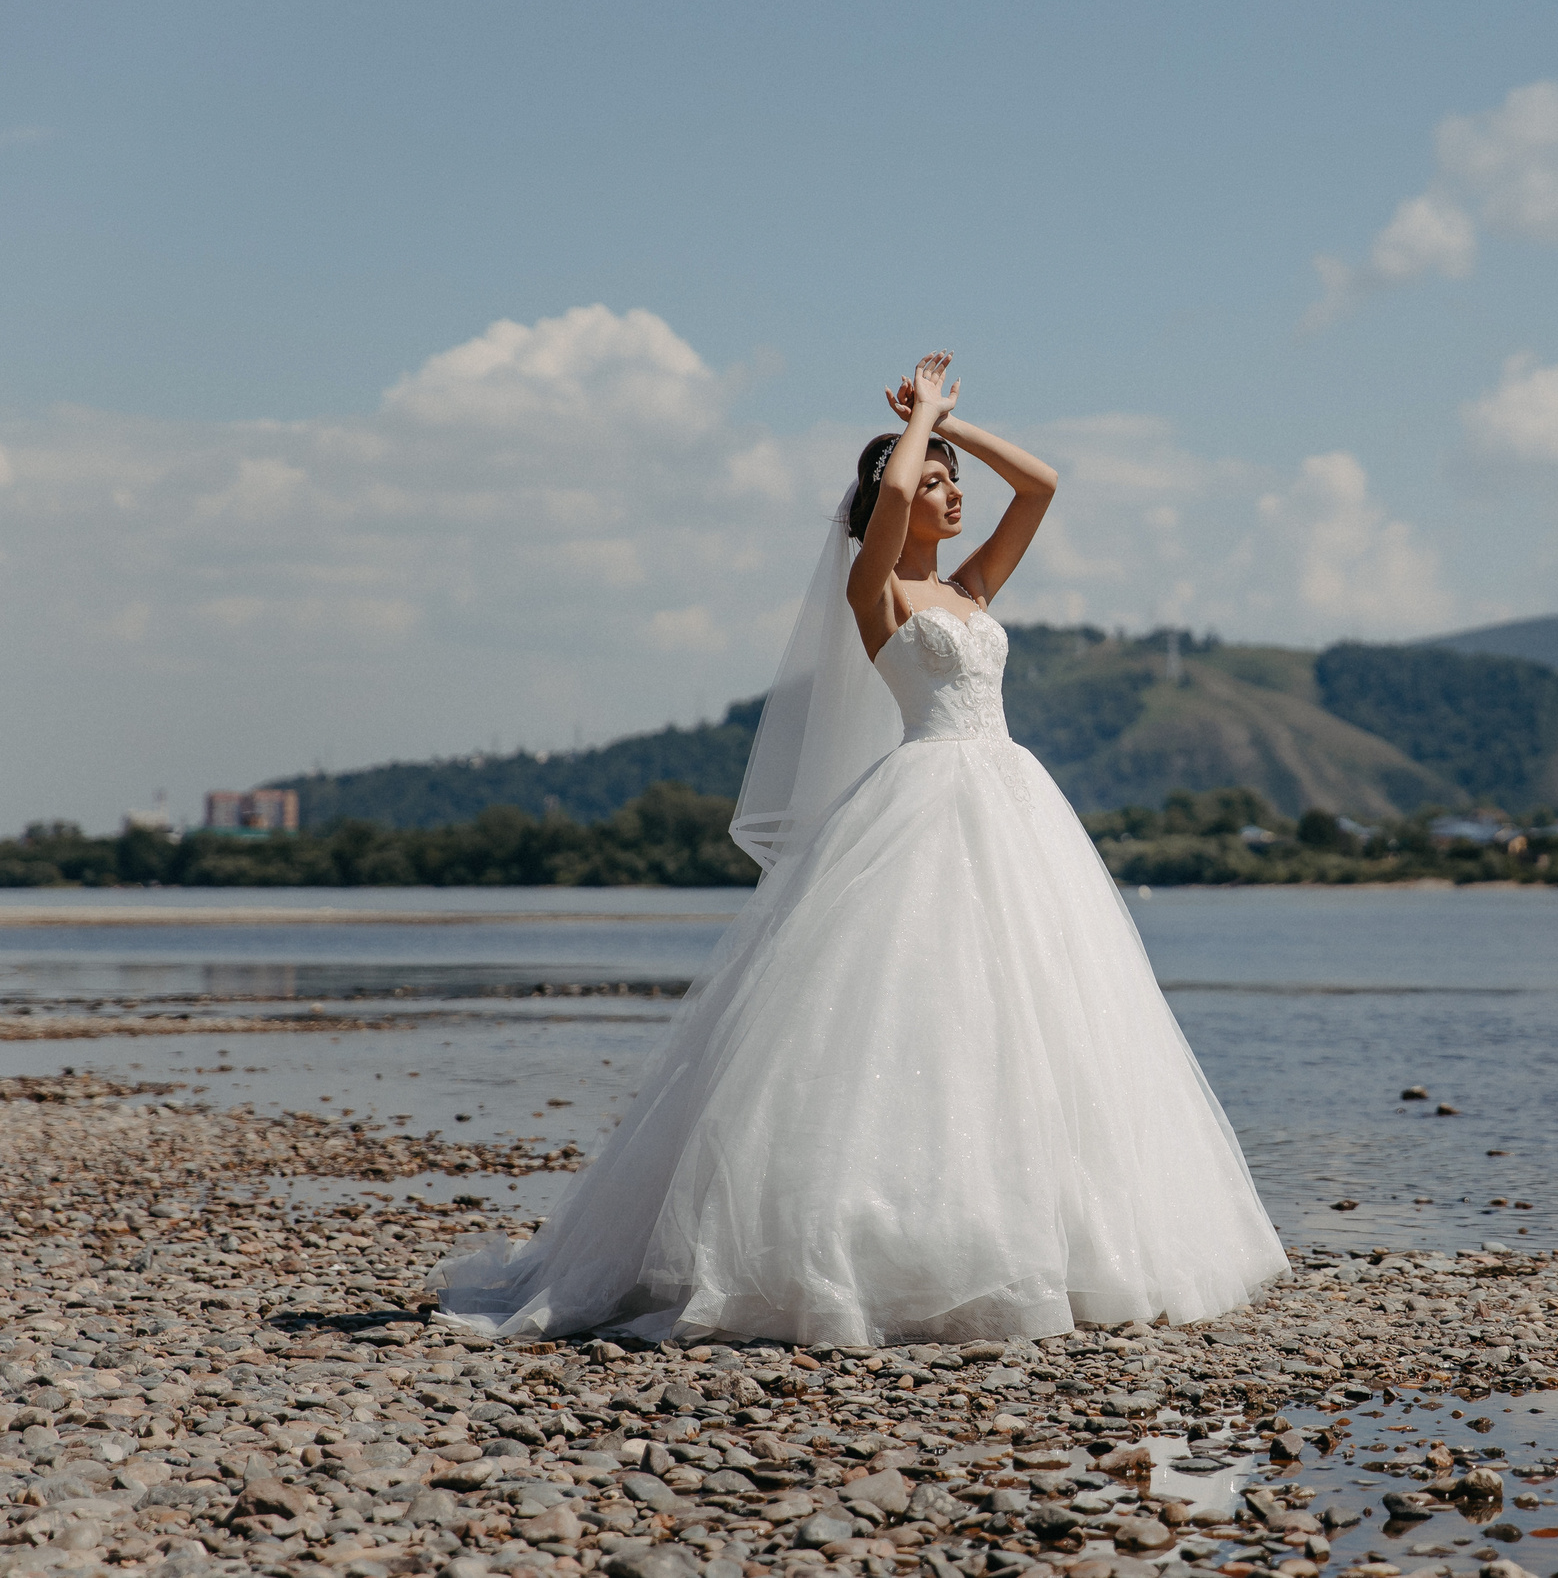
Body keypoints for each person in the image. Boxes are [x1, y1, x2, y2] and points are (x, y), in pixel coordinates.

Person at [431, 353, 1286, 1344]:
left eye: (951, 482)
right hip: (924, 801)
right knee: (903, 1017)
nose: (951, 492)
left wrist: (951, 428)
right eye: (932, 484)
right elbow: (886, 496)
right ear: (887, 504)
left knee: (1033, 1015)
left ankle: (1050, 1233)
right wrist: (913, 426)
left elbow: (1042, 484)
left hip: (1011, 804)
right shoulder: (877, 595)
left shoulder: (970, 589)